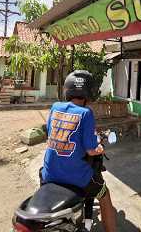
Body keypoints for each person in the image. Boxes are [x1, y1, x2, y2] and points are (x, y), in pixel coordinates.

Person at [41, 70, 117, 232]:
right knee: (105, 195)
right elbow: (90, 150)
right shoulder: (86, 113)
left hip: (49, 174)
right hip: (76, 177)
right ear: (88, 93)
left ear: (67, 89)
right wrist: (100, 148)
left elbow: (53, 135)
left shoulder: (55, 107)